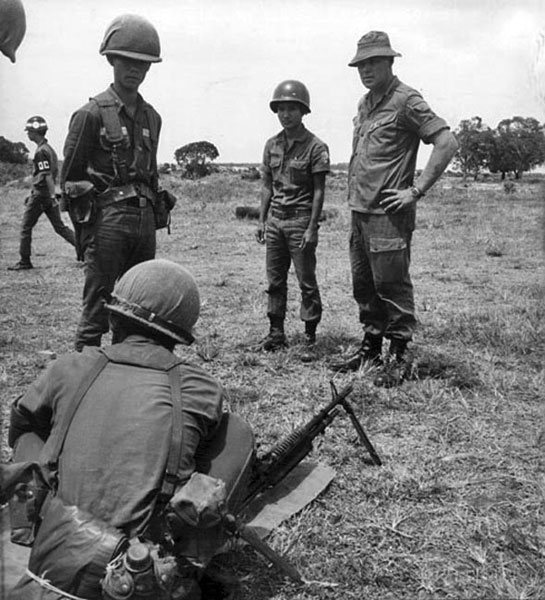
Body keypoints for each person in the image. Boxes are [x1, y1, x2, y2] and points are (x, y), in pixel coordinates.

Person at [7, 259, 253, 600]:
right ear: (181, 335)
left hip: (52, 547)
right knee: (236, 432)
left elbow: (21, 424)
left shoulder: (69, 367)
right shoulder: (202, 388)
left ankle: (26, 524)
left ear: (112, 318)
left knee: (29, 430)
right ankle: (185, 565)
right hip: (138, 569)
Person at [330, 31, 458, 386]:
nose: (366, 70)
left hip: (389, 214)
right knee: (364, 284)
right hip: (360, 211)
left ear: (390, 62)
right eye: (361, 64)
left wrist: (415, 191)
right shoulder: (364, 103)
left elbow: (447, 142)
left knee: (392, 284)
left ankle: (399, 355)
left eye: (373, 62)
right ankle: (370, 347)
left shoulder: (406, 100)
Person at [62, 14, 163, 352]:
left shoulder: (152, 117)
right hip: (107, 222)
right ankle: (81, 387)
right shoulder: (90, 114)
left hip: (144, 219)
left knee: (137, 310)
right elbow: (70, 180)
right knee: (96, 312)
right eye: (127, 60)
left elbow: (151, 173)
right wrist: (87, 232)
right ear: (111, 60)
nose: (134, 69)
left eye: (142, 63)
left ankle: (124, 381)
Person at [255, 80, 330, 353]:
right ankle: (276, 332)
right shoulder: (271, 145)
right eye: (281, 109)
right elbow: (267, 185)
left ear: (303, 111)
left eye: (292, 108)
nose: (286, 114)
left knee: (306, 281)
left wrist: (312, 227)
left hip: (300, 220)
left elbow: (319, 191)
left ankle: (310, 335)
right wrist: (262, 220)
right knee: (275, 280)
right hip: (275, 219)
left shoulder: (315, 147)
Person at [8, 116, 76, 271]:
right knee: (60, 228)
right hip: (44, 194)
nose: (27, 134)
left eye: (29, 131)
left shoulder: (41, 152)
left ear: (35, 132)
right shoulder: (48, 149)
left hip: (41, 195)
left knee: (26, 227)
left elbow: (46, 176)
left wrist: (51, 196)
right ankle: (85, 253)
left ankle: (24, 261)